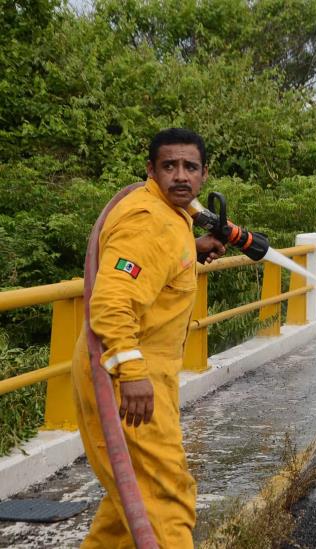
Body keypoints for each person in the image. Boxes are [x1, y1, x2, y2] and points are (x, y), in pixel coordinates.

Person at [71, 128, 226, 548]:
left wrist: (191, 250)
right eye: (169, 166)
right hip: (129, 377)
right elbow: (112, 300)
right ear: (150, 170)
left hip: (133, 368)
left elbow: (153, 266)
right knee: (166, 499)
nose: (180, 176)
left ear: (204, 174)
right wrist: (132, 370)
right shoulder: (150, 219)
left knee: (129, 506)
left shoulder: (169, 218)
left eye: (189, 167)